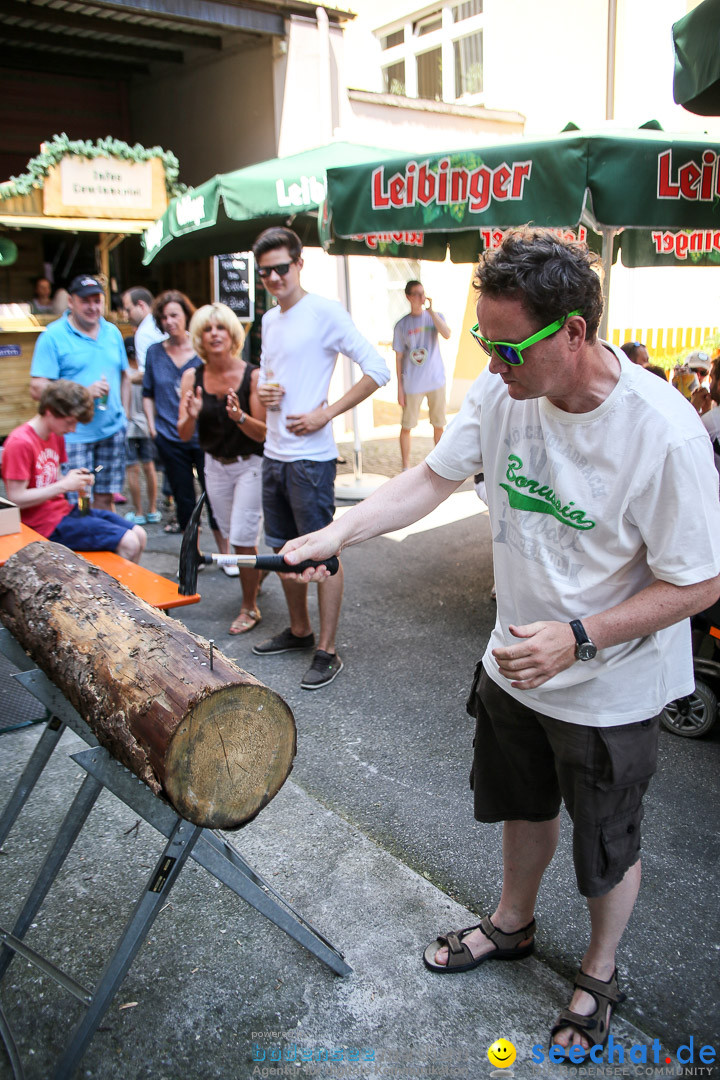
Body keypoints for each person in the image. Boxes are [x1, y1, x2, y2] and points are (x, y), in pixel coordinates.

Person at [279, 229, 720, 1055]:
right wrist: (338, 530)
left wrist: (580, 638)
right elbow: (428, 481)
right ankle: (513, 922)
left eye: (509, 346)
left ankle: (598, 970)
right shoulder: (502, 391)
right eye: (484, 341)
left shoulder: (662, 434)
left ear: (576, 333)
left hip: (609, 684)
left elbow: (699, 583)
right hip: (514, 665)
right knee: (523, 803)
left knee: (606, 839)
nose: (492, 363)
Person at [250, 225, 390, 689]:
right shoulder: (270, 320)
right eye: (265, 271)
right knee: (282, 549)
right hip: (273, 453)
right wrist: (266, 392)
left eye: (281, 268)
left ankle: (327, 650)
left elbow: (378, 369)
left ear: (299, 264)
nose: (273, 278)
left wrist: (324, 414)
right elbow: (276, 375)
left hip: (310, 459)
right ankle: (299, 630)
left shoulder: (324, 311)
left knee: (323, 554)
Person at [178, 303, 266, 634]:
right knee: (232, 533)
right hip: (213, 466)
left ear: (232, 334)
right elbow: (183, 432)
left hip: (249, 466)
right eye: (207, 329)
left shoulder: (252, 375)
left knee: (243, 536)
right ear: (200, 337)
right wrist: (192, 413)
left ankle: (249, 607)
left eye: (221, 328)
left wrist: (239, 417)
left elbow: (264, 432)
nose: (214, 334)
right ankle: (257, 572)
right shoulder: (192, 377)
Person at [1, 380, 146, 561]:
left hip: (64, 512)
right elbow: (16, 498)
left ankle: (125, 588)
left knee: (139, 533)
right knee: (129, 542)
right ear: (49, 411)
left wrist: (75, 479)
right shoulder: (20, 442)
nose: (73, 429)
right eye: (70, 422)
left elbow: (54, 477)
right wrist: (64, 485)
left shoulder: (55, 433)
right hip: (42, 526)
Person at [29, 274, 130, 512]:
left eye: (97, 300)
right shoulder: (52, 336)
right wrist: (83, 392)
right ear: (71, 302)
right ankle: (80, 549)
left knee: (105, 498)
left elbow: (124, 375)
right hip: (73, 437)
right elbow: (37, 388)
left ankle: (104, 545)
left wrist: (123, 413)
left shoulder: (112, 332)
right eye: (85, 301)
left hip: (112, 432)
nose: (93, 307)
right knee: (76, 503)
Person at [143, 290, 224, 550]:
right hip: (169, 435)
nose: (169, 321)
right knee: (183, 498)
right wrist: (152, 426)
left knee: (214, 495)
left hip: (204, 436)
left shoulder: (202, 348)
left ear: (186, 316)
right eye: (163, 317)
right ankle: (194, 554)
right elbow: (148, 392)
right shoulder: (155, 352)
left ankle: (226, 553)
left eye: (174, 315)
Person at [393, 279, 451, 469]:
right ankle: (405, 465)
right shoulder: (402, 325)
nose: (421, 297)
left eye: (423, 293)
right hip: (413, 383)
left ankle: (441, 462)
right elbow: (399, 357)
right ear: (408, 297)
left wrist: (432, 311)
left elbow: (447, 333)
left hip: (435, 380)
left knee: (439, 424)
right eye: (416, 294)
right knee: (407, 425)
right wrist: (399, 388)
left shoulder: (434, 317)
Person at [122, 337, 161, 525]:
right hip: (146, 425)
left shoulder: (124, 376)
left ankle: (138, 512)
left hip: (128, 427)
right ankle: (152, 510)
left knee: (132, 469)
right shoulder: (146, 373)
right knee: (149, 467)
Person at [122, 286, 166, 369]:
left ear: (141, 305)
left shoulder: (143, 332)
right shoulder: (164, 321)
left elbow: (146, 373)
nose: (126, 316)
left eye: (128, 310)